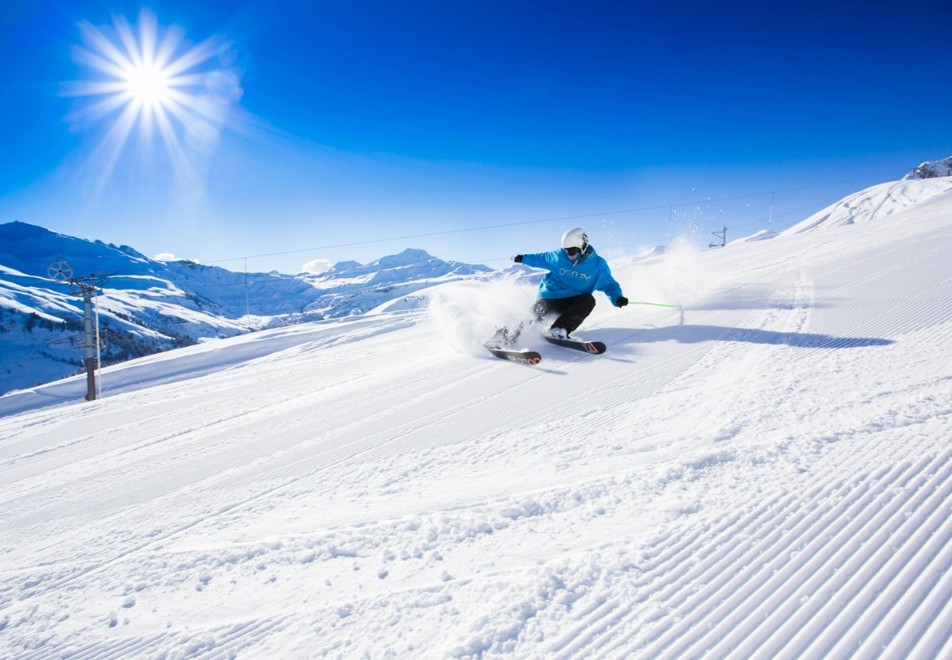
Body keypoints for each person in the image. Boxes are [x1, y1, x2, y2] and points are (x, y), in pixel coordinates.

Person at [491, 227, 628, 346]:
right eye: (567, 251)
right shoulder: (558, 256)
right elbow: (541, 258)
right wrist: (523, 258)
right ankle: (501, 338)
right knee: (532, 316)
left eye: (573, 251)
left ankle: (559, 329)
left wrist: (617, 298)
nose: (569, 255)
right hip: (551, 297)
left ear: (583, 245)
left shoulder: (598, 265)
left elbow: (609, 285)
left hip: (575, 300)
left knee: (589, 300)